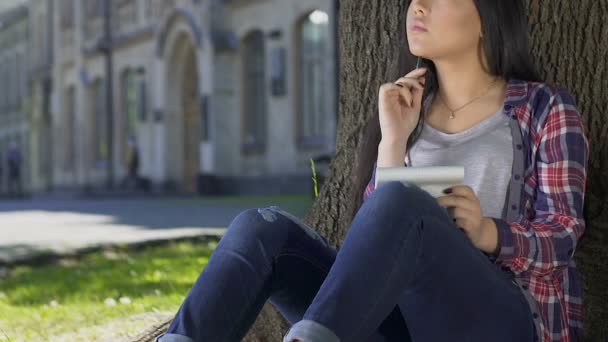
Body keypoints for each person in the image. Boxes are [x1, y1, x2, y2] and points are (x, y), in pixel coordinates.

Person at [157, 0, 589, 341]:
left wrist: (487, 233)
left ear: (487, 18)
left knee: (403, 201)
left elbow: (564, 233)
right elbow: (374, 238)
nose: (417, 6)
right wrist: (393, 142)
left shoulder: (545, 108)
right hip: (396, 320)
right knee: (260, 228)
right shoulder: (408, 113)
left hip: (498, 323)